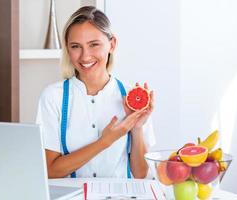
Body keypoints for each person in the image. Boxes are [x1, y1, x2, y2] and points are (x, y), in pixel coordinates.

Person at [36, 6, 155, 178]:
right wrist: (105, 141)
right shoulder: (53, 97)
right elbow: (50, 170)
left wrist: (137, 128)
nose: (85, 56)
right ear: (68, 50)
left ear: (112, 44)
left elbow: (141, 174)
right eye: (76, 46)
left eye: (94, 45)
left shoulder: (131, 97)